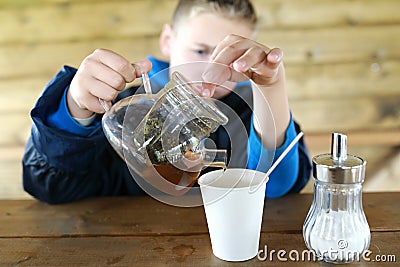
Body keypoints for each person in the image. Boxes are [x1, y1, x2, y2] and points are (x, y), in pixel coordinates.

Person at [22, 0, 311, 204]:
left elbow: (277, 190)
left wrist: (271, 89)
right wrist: (76, 107)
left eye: (230, 58)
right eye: (199, 50)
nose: (211, 70)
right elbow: (49, 185)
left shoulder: (253, 110)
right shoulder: (127, 108)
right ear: (168, 40)